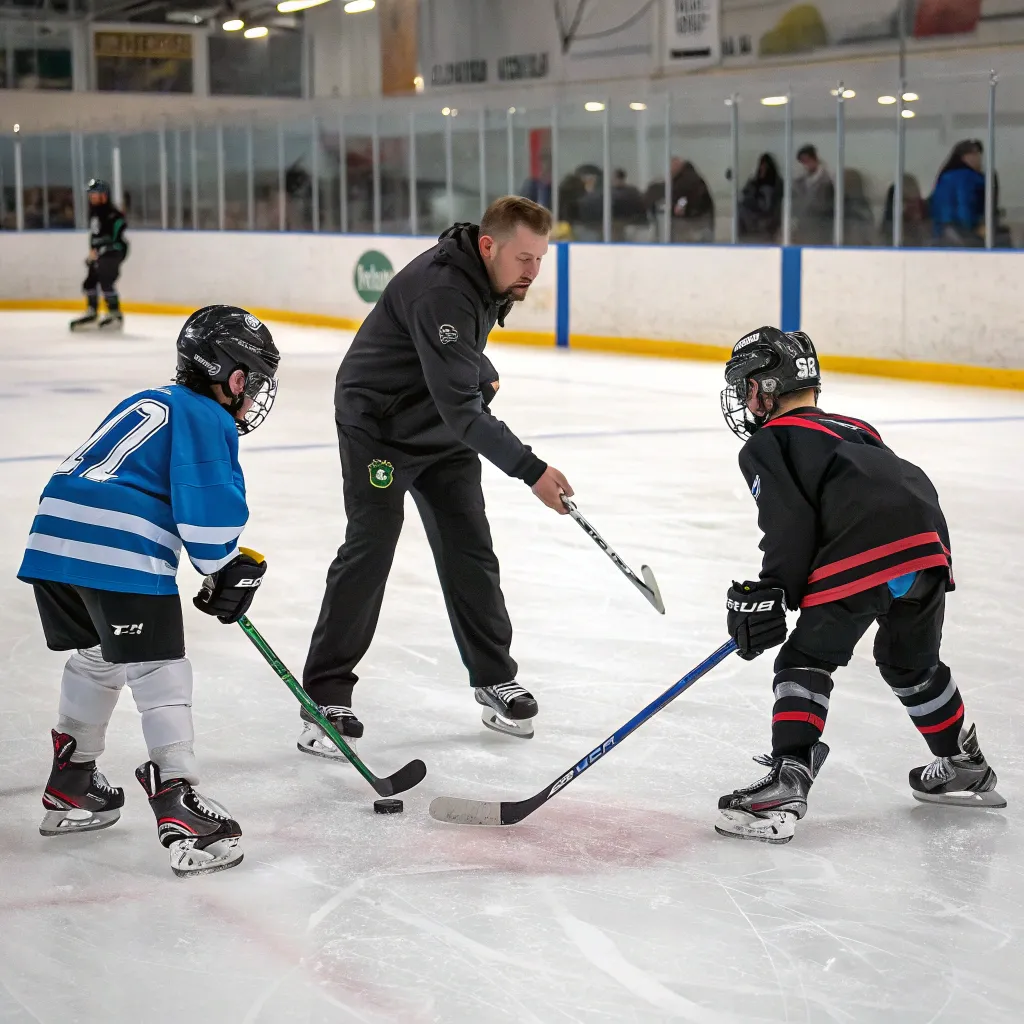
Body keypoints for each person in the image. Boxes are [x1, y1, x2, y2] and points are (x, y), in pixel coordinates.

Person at [301, 195, 573, 750]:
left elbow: (455, 368)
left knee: (469, 546)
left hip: (436, 425)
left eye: (541, 259)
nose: (533, 272)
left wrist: (484, 371)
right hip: (377, 428)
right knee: (371, 547)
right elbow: (463, 408)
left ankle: (495, 677)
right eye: (524, 258)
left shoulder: (485, 277)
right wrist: (532, 470)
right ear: (490, 245)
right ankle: (324, 697)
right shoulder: (445, 288)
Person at [17, 306, 281, 876]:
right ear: (231, 376)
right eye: (252, 378)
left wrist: (219, 566)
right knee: (159, 669)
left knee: (96, 657)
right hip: (117, 550)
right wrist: (227, 566)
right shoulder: (207, 416)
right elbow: (209, 530)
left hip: (53, 538)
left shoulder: (148, 400)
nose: (251, 392)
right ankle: (180, 807)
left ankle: (73, 782)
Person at [716, 326, 1004, 845]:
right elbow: (877, 487)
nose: (745, 399)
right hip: (927, 545)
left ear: (765, 388)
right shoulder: (855, 425)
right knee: (910, 663)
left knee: (804, 660)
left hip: (864, 545)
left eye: (748, 386)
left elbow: (790, 522)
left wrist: (774, 588)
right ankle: (964, 765)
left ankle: (787, 781)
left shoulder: (768, 441)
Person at [70, 178, 129, 332]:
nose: (92, 197)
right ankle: (92, 311)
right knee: (90, 281)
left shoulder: (112, 213)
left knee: (106, 280)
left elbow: (117, 231)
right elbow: (94, 235)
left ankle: (115, 313)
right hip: (99, 253)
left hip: (112, 253)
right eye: (91, 194)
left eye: (95, 194)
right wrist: (92, 251)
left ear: (104, 195)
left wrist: (104, 246)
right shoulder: (94, 213)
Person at [930, 139, 985, 246]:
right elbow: (964, 203)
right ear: (964, 157)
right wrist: (972, 227)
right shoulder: (966, 176)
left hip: (941, 228)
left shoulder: (946, 175)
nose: (978, 158)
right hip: (957, 227)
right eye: (974, 154)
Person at [792, 145, 834, 245]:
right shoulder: (799, 182)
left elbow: (828, 207)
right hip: (803, 230)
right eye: (802, 162)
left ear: (814, 159)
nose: (805, 165)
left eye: (806, 160)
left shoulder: (827, 182)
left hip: (820, 232)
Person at [738, 154, 783, 243]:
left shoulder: (776, 185)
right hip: (750, 224)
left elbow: (769, 206)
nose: (762, 169)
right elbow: (743, 196)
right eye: (761, 166)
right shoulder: (753, 183)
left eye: (765, 167)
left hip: (766, 225)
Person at [669, 158, 715, 243]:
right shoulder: (692, 177)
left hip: (695, 222)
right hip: (701, 220)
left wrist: (681, 207)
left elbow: (684, 198)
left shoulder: (684, 181)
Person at [880, 174, 928, 247]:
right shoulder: (890, 233)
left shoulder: (927, 228)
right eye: (907, 200)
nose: (914, 206)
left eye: (916, 200)